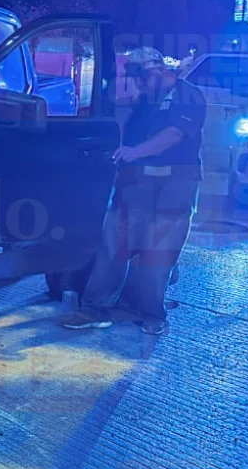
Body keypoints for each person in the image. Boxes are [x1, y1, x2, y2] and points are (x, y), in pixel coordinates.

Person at [60, 47, 206, 335]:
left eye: (141, 78)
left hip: (173, 188)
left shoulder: (188, 95)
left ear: (158, 71)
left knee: (158, 255)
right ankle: (94, 308)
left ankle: (152, 314)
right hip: (134, 187)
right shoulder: (144, 100)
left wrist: (134, 152)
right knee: (112, 247)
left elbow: (173, 135)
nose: (138, 84)